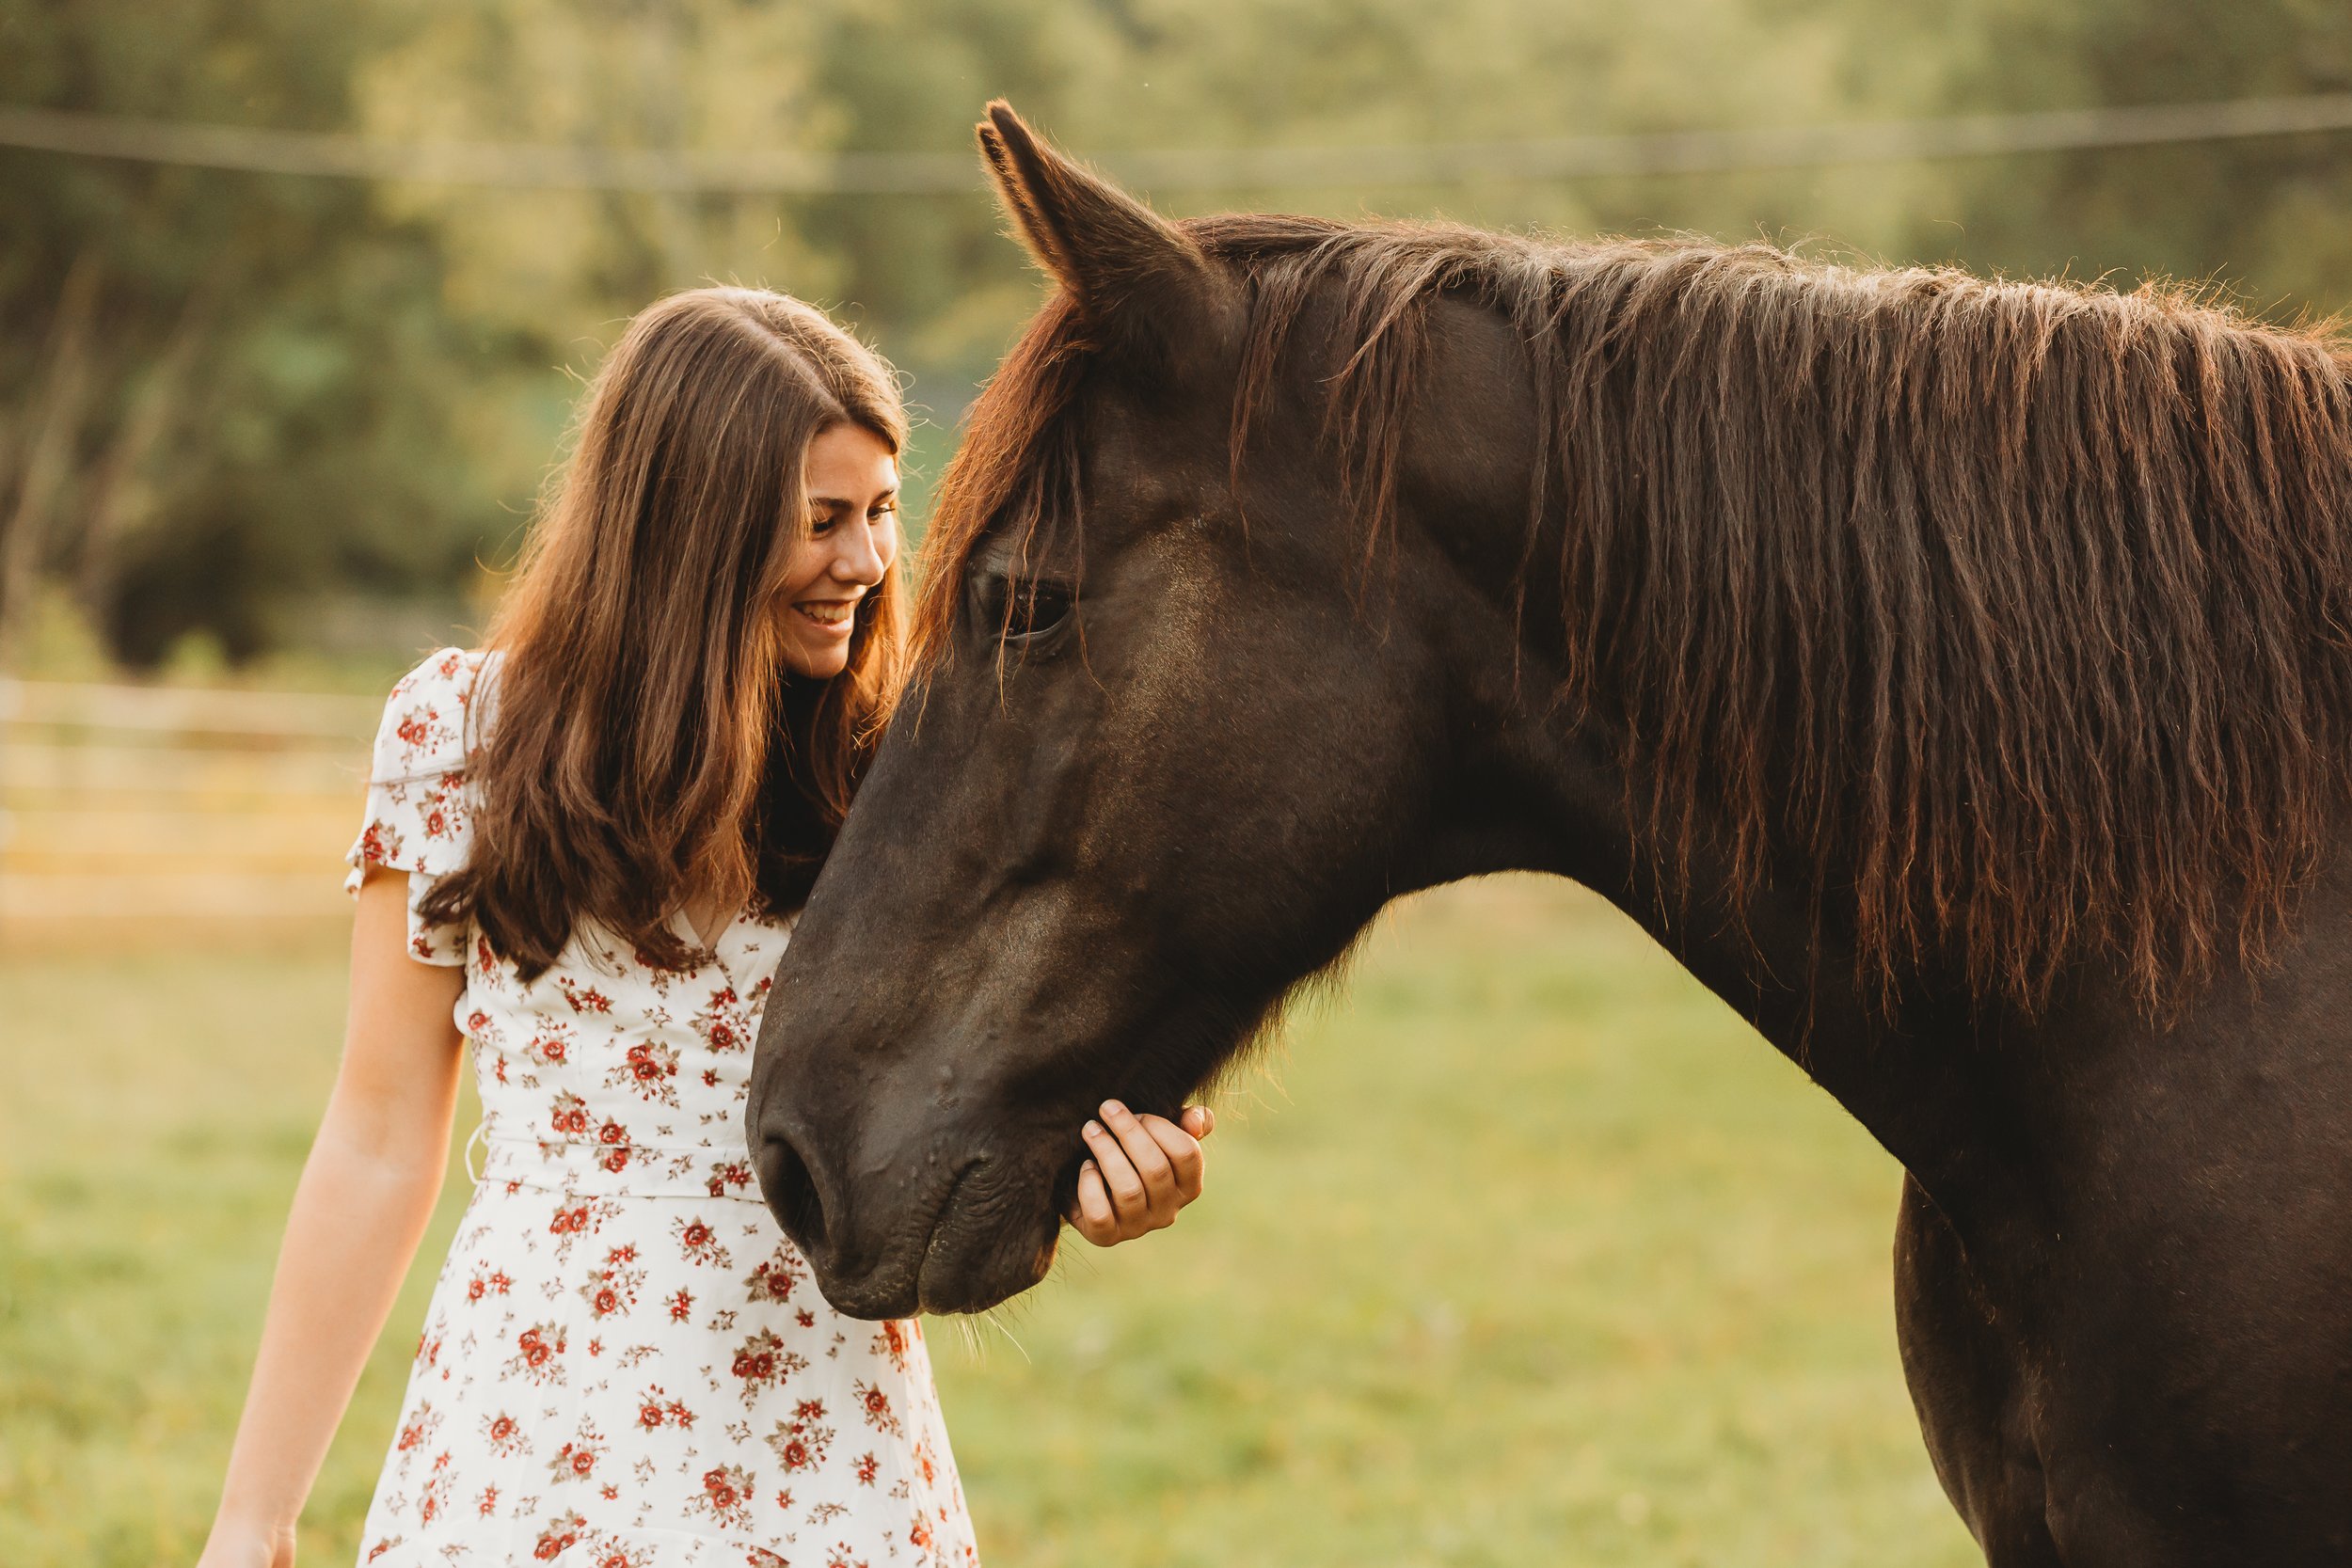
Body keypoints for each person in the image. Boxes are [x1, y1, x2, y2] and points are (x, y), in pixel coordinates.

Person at [194, 287, 1215, 1568]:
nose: (867, 562)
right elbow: (379, 1132)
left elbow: (985, 1090)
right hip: (529, 1419)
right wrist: (254, 1515)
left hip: (816, 1432)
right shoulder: (458, 743)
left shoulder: (902, 760)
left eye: (883, 513)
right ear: (694, 533)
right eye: (823, 522)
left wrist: (1094, 1183)